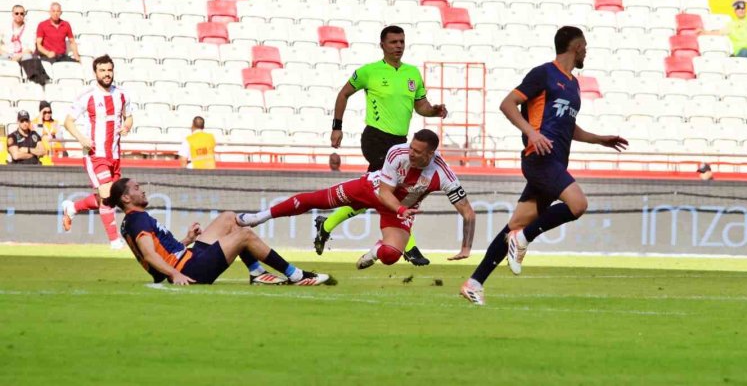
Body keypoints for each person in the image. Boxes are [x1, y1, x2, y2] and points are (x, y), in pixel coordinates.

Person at [459, 27, 628, 306]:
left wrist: (599, 140)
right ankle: (523, 238)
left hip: (556, 162)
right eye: (585, 47)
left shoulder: (573, 84)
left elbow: (567, 125)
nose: (586, 51)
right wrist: (532, 134)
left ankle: (474, 283)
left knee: (514, 224)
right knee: (578, 205)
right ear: (577, 47)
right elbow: (507, 104)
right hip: (539, 159)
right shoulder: (543, 73)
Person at [237, 129, 476, 270]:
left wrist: (466, 248)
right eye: (411, 147)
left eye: (417, 151)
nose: (410, 152)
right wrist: (402, 209)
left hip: (398, 209)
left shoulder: (443, 173)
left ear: (430, 154)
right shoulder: (397, 152)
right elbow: (384, 193)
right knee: (315, 199)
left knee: (391, 256)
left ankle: (374, 251)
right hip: (371, 190)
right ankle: (259, 217)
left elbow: (468, 212)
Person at [320, 25, 448, 266]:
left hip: (400, 143)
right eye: (393, 42)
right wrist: (337, 126)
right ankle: (408, 246)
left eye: (401, 41)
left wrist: (434, 111)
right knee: (390, 190)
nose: (398, 45)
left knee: (371, 195)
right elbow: (343, 94)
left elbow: (421, 106)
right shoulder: (370, 72)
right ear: (382, 45)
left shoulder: (412, 73)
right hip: (375, 138)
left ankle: (326, 224)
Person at [111, 178, 331, 286]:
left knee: (228, 218)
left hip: (188, 259)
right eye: (137, 188)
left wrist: (187, 240)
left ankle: (256, 272)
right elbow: (149, 256)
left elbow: (161, 252)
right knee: (244, 235)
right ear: (126, 198)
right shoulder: (137, 220)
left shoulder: (133, 220)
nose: (143, 190)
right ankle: (295, 275)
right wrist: (174, 274)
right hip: (190, 270)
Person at [60, 55, 133, 249]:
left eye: (109, 70)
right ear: (95, 73)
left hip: (114, 154)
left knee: (109, 196)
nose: (107, 74)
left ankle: (72, 208)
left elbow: (129, 117)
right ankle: (114, 241)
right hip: (95, 153)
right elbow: (68, 121)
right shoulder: (88, 95)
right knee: (107, 193)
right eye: (102, 70)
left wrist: (127, 126)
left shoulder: (122, 94)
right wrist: (81, 139)